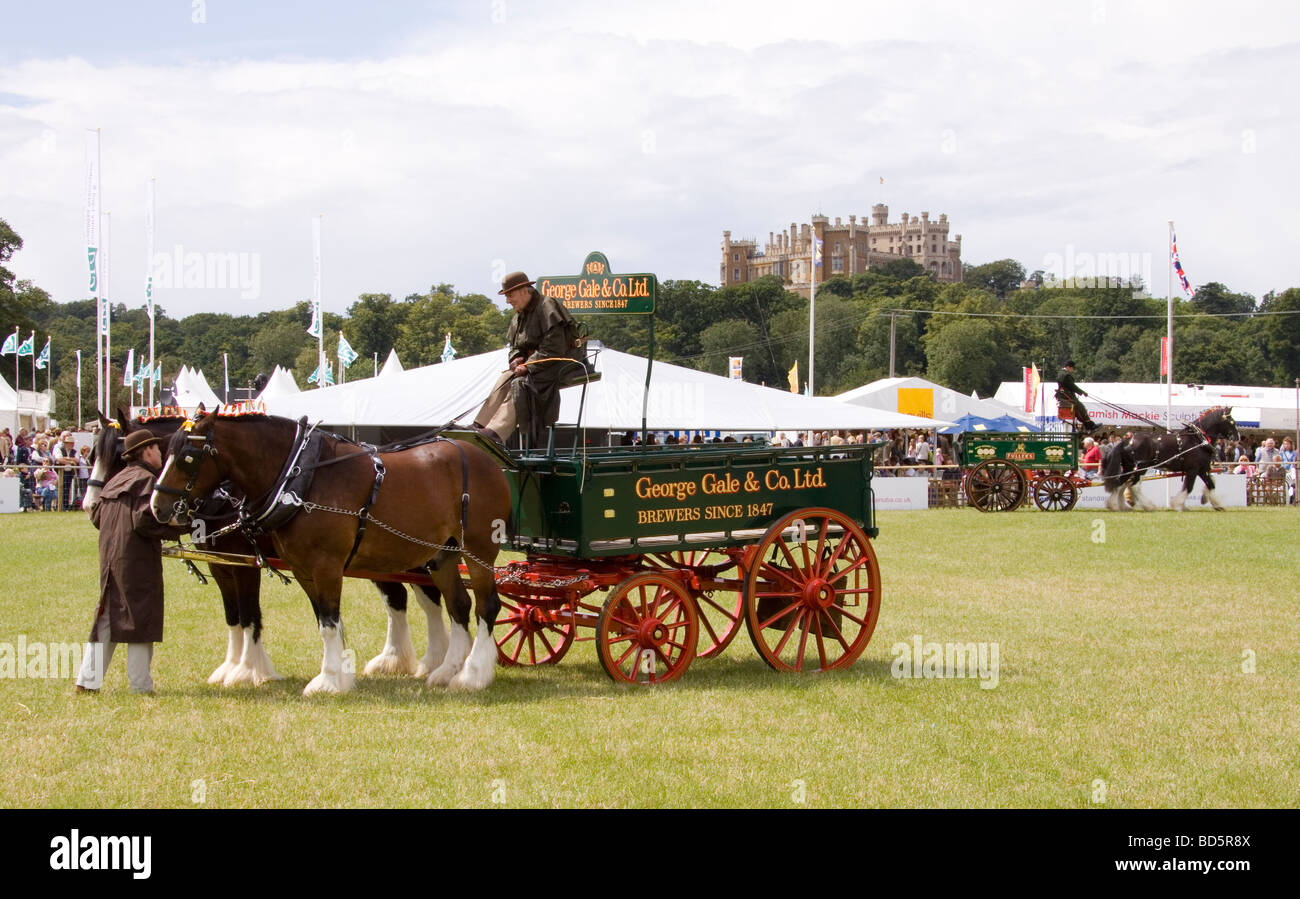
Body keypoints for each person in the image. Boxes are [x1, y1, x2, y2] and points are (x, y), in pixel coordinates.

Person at [75, 429, 187, 694]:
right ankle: (140, 686)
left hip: (110, 559)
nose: (161, 453)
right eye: (157, 449)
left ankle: (86, 682)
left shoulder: (114, 481)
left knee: (106, 618)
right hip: (137, 561)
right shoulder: (147, 480)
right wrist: (180, 528)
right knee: (140, 620)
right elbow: (145, 521)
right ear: (147, 451)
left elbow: (96, 516)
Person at [472, 271, 585, 446]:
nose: (508, 300)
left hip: (562, 362)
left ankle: (495, 432)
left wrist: (528, 365)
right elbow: (515, 346)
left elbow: (554, 348)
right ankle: (479, 424)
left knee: (521, 383)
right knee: (505, 377)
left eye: (510, 295)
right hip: (538, 364)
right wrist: (516, 358)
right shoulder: (519, 315)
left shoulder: (547, 306)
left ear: (524, 291)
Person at [1055, 360, 1099, 433]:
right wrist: (1082, 392)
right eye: (1072, 368)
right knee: (1081, 407)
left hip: (1063, 396)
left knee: (1079, 409)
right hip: (1067, 396)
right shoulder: (1066, 375)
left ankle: (1088, 425)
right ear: (1068, 367)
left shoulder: (1060, 373)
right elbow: (1072, 386)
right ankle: (1089, 426)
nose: (1073, 370)